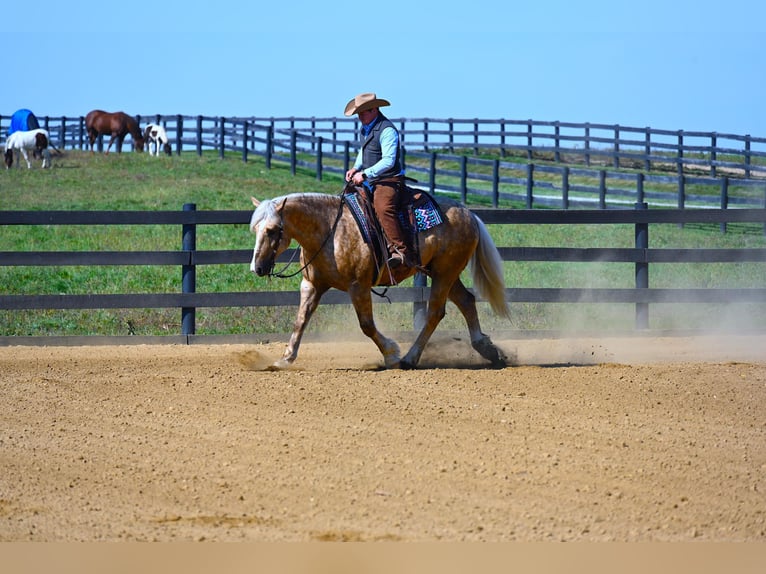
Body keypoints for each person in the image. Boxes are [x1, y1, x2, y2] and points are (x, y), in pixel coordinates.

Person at [344, 92, 411, 269]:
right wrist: (355, 168)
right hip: (371, 180)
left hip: (388, 180)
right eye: (358, 113)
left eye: (363, 112)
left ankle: (399, 250)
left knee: (383, 207)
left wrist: (364, 174)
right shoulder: (367, 127)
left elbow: (389, 161)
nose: (360, 116)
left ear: (374, 109)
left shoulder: (387, 130)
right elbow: (364, 151)